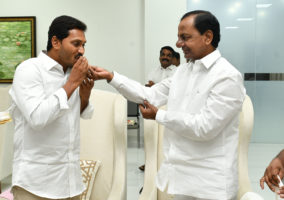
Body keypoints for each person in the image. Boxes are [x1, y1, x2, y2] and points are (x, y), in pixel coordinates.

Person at [91, 10, 245, 200]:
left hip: (210, 185)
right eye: (178, 37)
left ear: (208, 37)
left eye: (185, 37)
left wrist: (159, 116)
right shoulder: (183, 71)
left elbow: (205, 127)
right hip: (180, 178)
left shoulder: (227, 76)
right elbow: (149, 94)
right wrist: (111, 77)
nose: (178, 44)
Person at [9, 15, 94, 200]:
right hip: (35, 186)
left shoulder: (72, 72)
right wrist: (71, 84)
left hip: (71, 183)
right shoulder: (29, 70)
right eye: (76, 44)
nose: (82, 50)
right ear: (55, 42)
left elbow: (71, 118)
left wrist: (84, 97)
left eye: (83, 44)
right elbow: (38, 118)